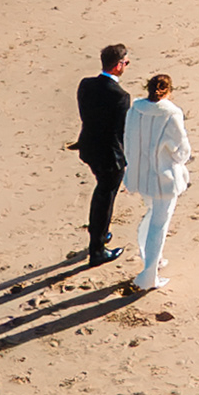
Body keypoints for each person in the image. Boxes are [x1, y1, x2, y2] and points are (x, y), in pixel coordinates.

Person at [122, 73, 191, 295]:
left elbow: (128, 140)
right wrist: (177, 162)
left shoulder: (135, 110)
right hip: (163, 178)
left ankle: (153, 258)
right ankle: (149, 275)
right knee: (159, 223)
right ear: (169, 91)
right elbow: (182, 150)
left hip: (141, 175)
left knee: (152, 214)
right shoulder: (171, 113)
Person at [69, 44, 130, 267]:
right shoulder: (120, 96)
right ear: (118, 66)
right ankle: (97, 249)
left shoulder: (86, 84)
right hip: (109, 156)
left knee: (102, 192)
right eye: (126, 63)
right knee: (105, 197)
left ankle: (101, 233)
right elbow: (121, 130)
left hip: (89, 147)